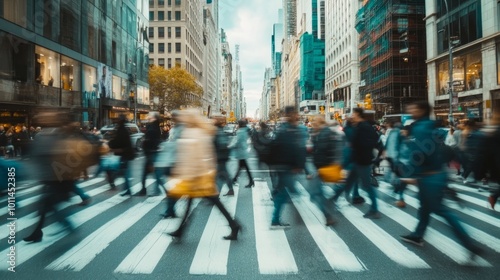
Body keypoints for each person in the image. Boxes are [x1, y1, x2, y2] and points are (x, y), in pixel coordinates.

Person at [400, 101, 482, 258]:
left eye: (412, 107)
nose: (409, 108)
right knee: (424, 208)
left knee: (440, 210)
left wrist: (410, 174)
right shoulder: (428, 126)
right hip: (434, 174)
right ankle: (417, 235)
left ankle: (469, 244)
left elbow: (420, 154)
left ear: (421, 110)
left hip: (429, 176)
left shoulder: (421, 127)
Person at [167, 109, 241, 241]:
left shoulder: (195, 133)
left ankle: (234, 225)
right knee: (200, 204)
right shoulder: (196, 131)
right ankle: (181, 230)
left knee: (213, 203)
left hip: (197, 177)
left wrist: (190, 174)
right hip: (197, 175)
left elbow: (200, 156)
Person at [331, 108, 381, 219]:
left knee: (367, 186)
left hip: (362, 162)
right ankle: (332, 200)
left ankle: (374, 210)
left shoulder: (363, 127)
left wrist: (360, 153)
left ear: (358, 115)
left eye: (353, 114)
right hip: (358, 161)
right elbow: (374, 139)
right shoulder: (360, 126)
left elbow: (363, 144)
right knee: (348, 183)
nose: (352, 115)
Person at [270, 106, 307, 228]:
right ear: (291, 114)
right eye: (295, 113)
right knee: (287, 192)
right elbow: (295, 149)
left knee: (283, 192)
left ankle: (275, 218)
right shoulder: (290, 130)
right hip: (286, 167)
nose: (297, 115)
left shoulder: (283, 129)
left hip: (282, 166)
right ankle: (275, 219)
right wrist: (298, 165)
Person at [309, 117, 344, 226]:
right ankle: (328, 210)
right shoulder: (317, 134)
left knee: (315, 194)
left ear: (321, 123)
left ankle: (328, 214)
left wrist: (337, 164)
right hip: (319, 169)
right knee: (315, 194)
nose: (312, 124)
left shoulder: (327, 133)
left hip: (325, 168)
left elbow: (337, 150)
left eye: (315, 122)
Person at [108, 115, 135, 196]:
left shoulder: (121, 130)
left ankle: (126, 189)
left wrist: (110, 143)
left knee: (122, 172)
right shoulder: (122, 129)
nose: (115, 121)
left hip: (125, 154)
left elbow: (118, 142)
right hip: (125, 154)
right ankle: (127, 190)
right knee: (123, 172)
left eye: (117, 120)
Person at [140, 111, 164, 196]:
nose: (148, 117)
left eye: (150, 116)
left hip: (151, 153)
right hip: (151, 153)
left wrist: (145, 142)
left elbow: (151, 140)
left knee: (152, 173)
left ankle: (145, 190)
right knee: (151, 173)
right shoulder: (154, 126)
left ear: (154, 118)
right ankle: (144, 190)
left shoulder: (153, 128)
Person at [229, 119, 254, 188]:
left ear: (240, 124)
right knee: (242, 166)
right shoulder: (245, 130)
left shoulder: (240, 132)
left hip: (241, 151)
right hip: (243, 151)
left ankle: (235, 179)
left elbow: (237, 142)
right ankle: (236, 179)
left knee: (243, 166)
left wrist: (229, 146)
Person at [213, 115, 234, 196]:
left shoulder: (217, 131)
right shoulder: (219, 130)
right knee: (223, 174)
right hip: (222, 156)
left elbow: (222, 144)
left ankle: (216, 193)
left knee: (219, 175)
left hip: (220, 156)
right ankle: (230, 189)